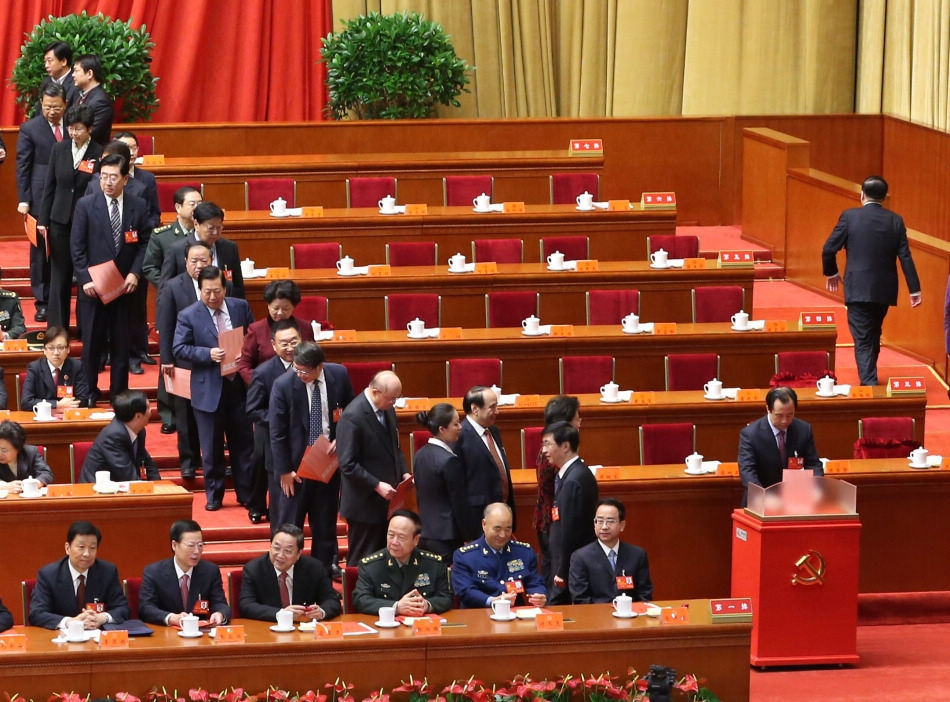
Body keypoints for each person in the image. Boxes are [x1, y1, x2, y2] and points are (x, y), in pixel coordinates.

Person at [822, 175, 922, 386]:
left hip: (858, 288)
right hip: (884, 291)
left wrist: (831, 273)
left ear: (862, 195)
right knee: (873, 332)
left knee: (864, 338)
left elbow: (829, 249)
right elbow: (905, 256)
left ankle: (869, 385)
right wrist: (914, 289)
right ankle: (870, 377)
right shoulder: (895, 220)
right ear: (885, 197)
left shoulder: (849, 217)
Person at [172, 265, 255, 511]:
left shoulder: (240, 307)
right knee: (211, 448)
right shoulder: (188, 315)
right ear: (200, 291)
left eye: (216, 291)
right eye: (207, 292)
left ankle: (246, 494)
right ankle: (215, 496)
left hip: (238, 387)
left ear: (225, 288)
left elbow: (252, 337)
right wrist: (207, 354)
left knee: (244, 446)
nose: (212, 297)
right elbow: (179, 348)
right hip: (209, 387)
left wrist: (245, 353)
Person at [71, 153, 151, 404]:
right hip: (94, 288)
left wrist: (135, 273)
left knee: (121, 345)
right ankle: (88, 393)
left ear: (125, 178)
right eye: (103, 176)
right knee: (92, 345)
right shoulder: (86, 204)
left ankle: (119, 395)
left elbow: (144, 242)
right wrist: (85, 279)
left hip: (124, 288)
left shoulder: (138, 205)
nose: (107, 182)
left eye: (113, 177)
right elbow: (77, 246)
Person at [268, 341, 354, 569]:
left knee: (325, 528)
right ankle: (286, 580)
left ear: (320, 367)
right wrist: (285, 471)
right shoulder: (283, 385)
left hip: (328, 464)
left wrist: (341, 438)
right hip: (296, 469)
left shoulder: (339, 374)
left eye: (305, 371)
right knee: (290, 529)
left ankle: (321, 580)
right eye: (296, 369)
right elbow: (277, 433)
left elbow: (350, 413)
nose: (300, 375)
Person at [36, 104, 103, 329]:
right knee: (60, 276)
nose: (73, 133)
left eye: (78, 129)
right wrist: (43, 221)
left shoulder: (98, 152)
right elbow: (49, 187)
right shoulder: (59, 149)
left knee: (85, 276)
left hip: (87, 223)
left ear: (90, 129)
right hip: (59, 221)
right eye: (70, 128)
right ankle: (57, 328)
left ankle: (87, 328)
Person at [336, 370, 410, 564]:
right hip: (364, 504)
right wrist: (377, 485)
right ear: (376, 392)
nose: (394, 403)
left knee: (383, 559)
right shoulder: (353, 416)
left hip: (388, 502)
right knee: (363, 558)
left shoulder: (387, 408)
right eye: (391, 399)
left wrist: (404, 471)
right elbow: (348, 464)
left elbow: (395, 446)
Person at [156, 240, 214, 477]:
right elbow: (165, 325)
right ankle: (189, 462)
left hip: (213, 359)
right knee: (185, 413)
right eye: (194, 261)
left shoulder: (220, 284)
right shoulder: (173, 287)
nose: (199, 265)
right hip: (182, 360)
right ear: (185, 262)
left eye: (204, 260)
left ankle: (212, 460)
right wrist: (166, 359)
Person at [16, 82, 67, 322]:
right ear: (41, 105)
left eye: (56, 107)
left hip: (68, 196)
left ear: (65, 104)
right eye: (47, 107)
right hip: (39, 198)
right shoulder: (30, 128)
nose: (52, 112)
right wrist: (24, 199)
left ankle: (62, 296)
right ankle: (42, 301)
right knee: (40, 251)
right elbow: (22, 166)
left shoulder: (74, 126)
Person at [245, 320, 300, 523]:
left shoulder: (312, 368)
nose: (290, 348)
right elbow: (253, 410)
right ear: (274, 345)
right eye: (284, 343)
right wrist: (281, 421)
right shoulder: (264, 373)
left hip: (308, 450)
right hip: (277, 446)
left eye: (294, 342)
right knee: (282, 514)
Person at [29, 521, 129, 630]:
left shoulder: (107, 572)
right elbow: (37, 613)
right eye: (81, 547)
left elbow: (122, 608)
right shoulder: (48, 574)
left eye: (92, 548)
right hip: (61, 640)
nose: (86, 554)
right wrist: (70, 622)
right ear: (67, 548)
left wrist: (102, 618)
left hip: (97, 638)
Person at [352, 509, 452, 616]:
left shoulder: (433, 564)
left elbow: (446, 597)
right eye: (391, 535)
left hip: (421, 626)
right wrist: (396, 607)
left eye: (401, 537)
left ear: (416, 540)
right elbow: (360, 600)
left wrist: (426, 605)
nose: (394, 542)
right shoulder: (371, 566)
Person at [542, 420, 598, 604]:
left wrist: (562, 570)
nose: (544, 450)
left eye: (548, 444)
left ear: (565, 446)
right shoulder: (573, 473)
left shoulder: (574, 479)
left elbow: (570, 531)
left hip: (569, 567)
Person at [239, 524, 341, 623]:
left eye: (288, 551)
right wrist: (281, 614)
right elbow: (246, 605)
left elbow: (332, 600)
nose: (280, 555)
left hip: (302, 631)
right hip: (267, 628)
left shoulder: (314, 568)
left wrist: (321, 612)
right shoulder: (254, 569)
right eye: (276, 548)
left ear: (298, 554)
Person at [452, 503, 547, 609]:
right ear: (484, 524)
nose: (503, 535)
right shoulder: (465, 556)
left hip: (514, 614)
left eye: (508, 529)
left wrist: (539, 595)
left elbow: (534, 582)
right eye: (497, 529)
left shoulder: (524, 552)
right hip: (479, 614)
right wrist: (492, 601)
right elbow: (464, 591)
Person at [738, 386, 823, 505]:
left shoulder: (804, 429)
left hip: (795, 499)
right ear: (768, 409)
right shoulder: (751, 435)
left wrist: (817, 485)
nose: (784, 420)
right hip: (760, 500)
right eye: (779, 415)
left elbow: (813, 463)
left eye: (789, 415)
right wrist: (763, 496)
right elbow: (747, 471)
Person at [138, 519, 230, 626]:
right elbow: (146, 608)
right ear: (174, 545)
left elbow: (220, 603)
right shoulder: (154, 572)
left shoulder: (210, 571)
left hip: (200, 635)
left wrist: (220, 614)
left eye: (200, 545)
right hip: (167, 636)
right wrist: (171, 617)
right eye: (191, 546)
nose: (196, 551)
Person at [412, 403, 474, 557]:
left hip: (426, 532)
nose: (460, 427)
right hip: (447, 537)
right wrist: (468, 537)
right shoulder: (449, 461)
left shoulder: (419, 454)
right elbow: (458, 503)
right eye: (455, 423)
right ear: (442, 429)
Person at [455, 385, 515, 538]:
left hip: (502, 513)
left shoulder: (493, 430)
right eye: (492, 407)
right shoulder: (459, 436)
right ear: (475, 409)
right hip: (477, 520)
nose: (497, 412)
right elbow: (458, 487)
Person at [534, 395, 581, 585]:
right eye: (577, 418)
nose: (580, 422)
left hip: (553, 520)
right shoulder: (552, 452)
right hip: (552, 522)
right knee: (553, 573)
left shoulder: (558, 447)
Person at [569, 498, 653, 604]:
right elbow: (579, 598)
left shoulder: (637, 555)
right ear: (594, 524)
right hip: (596, 618)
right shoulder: (580, 557)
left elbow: (645, 594)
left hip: (631, 617)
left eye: (610, 521)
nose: (604, 527)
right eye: (599, 521)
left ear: (622, 525)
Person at [237, 279, 316, 384]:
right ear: (268, 305)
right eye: (276, 308)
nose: (280, 313)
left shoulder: (305, 327)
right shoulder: (256, 329)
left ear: (294, 307)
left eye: (285, 309)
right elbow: (244, 365)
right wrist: (260, 382)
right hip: (268, 388)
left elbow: (314, 358)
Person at [161, 201, 245, 298]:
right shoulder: (176, 250)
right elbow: (165, 289)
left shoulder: (229, 248)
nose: (215, 232)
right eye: (211, 228)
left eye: (219, 228)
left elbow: (238, 287)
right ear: (196, 224)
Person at [79, 389, 159, 483]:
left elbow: (147, 462)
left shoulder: (139, 430)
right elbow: (127, 475)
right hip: (97, 491)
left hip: (119, 487)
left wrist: (158, 485)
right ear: (138, 416)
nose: (151, 411)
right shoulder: (113, 436)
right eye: (148, 408)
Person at [143, 186, 201, 290]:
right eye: (192, 204)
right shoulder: (162, 236)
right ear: (178, 207)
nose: (197, 208)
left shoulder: (204, 233)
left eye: (200, 204)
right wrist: (168, 286)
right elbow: (150, 268)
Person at [22, 326, 90, 409]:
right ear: (44, 350)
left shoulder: (76, 366)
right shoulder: (35, 368)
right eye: (51, 348)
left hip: (68, 417)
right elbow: (26, 402)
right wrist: (57, 405)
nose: (56, 352)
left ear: (68, 349)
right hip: (43, 418)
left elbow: (83, 399)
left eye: (61, 348)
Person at [0, 419, 55, 490]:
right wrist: (3, 486)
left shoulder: (31, 453)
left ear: (18, 448)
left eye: (4, 450)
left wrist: (35, 483)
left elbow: (46, 474)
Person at [71, 55, 113, 145]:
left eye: (76, 71)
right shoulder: (80, 96)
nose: (73, 75)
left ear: (90, 73)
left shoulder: (101, 101)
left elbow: (90, 133)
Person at [37, 41, 78, 109]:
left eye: (49, 61)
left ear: (63, 61)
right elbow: (39, 112)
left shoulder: (76, 83)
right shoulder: (46, 82)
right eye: (45, 62)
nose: (46, 65)